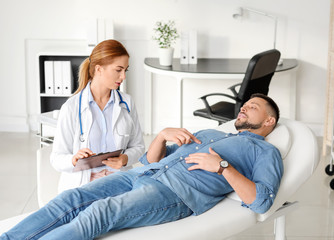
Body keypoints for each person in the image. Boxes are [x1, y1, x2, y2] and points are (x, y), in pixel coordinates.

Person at [1, 93, 283, 240]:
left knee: (100, 212)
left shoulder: (265, 152)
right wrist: (161, 135)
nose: (244, 107)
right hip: (142, 174)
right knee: (71, 198)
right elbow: (150, 160)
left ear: (269, 121)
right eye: (245, 104)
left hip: (175, 193)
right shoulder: (212, 134)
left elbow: (261, 202)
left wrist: (222, 167)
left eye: (253, 106)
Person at [50, 39, 145, 193]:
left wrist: (125, 158)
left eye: (125, 70)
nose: (123, 77)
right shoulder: (71, 107)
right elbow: (56, 158)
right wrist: (73, 159)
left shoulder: (126, 103)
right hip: (84, 188)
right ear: (99, 69)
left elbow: (138, 146)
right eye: (118, 70)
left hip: (119, 184)